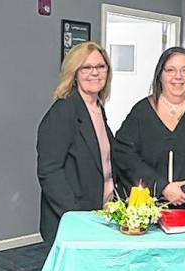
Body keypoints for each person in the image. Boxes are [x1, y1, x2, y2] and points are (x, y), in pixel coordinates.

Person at [114, 47, 185, 249]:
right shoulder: (142, 112)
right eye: (171, 70)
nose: (178, 77)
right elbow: (124, 154)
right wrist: (162, 187)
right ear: (160, 75)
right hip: (150, 214)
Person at [37, 41, 116, 243]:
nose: (95, 72)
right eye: (86, 67)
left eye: (100, 66)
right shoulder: (63, 111)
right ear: (74, 73)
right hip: (75, 218)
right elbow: (49, 171)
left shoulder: (97, 108)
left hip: (101, 212)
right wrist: (76, 215)